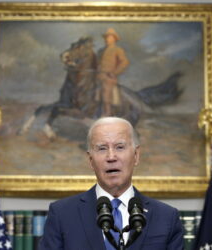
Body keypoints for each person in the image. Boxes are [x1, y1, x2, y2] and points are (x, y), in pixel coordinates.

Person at [38, 117, 184, 250]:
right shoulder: (62, 214)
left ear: (136, 155)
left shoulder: (166, 217)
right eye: (102, 148)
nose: (111, 157)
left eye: (120, 147)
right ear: (91, 161)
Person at [97, 28, 130, 116]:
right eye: (106, 37)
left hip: (109, 77)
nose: (107, 39)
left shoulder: (117, 50)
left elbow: (125, 62)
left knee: (106, 91)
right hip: (98, 76)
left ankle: (107, 113)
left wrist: (114, 73)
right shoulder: (100, 51)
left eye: (109, 37)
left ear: (114, 39)